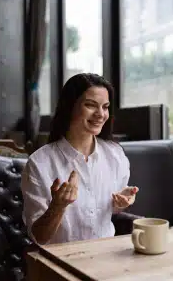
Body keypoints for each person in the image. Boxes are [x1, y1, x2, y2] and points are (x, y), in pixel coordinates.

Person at [21, 73, 139, 245]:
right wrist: (57, 207)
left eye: (105, 107)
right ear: (69, 107)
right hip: (60, 260)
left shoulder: (115, 155)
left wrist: (121, 202)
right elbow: (39, 237)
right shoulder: (39, 163)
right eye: (91, 105)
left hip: (106, 254)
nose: (100, 114)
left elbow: (107, 210)